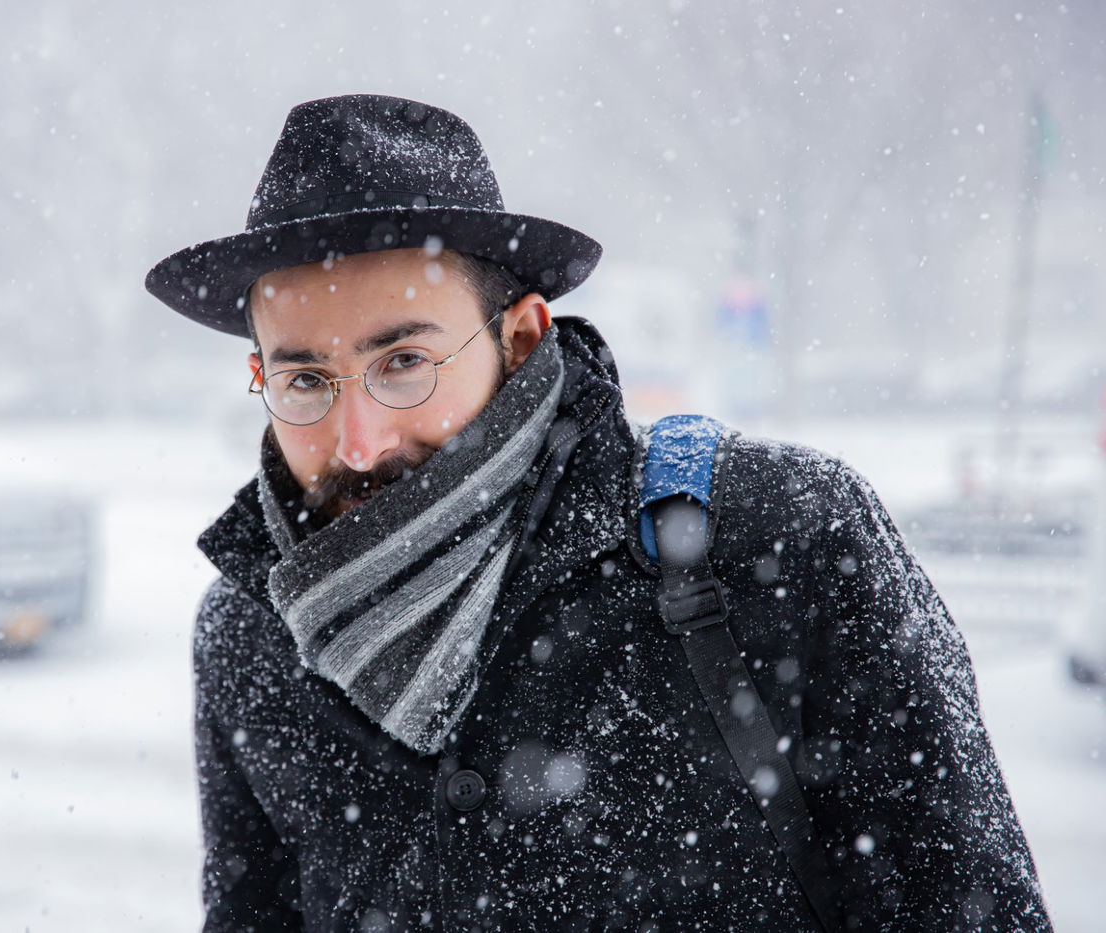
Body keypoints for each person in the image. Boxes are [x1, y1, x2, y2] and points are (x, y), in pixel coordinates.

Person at [145, 94, 1050, 932]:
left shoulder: (779, 534)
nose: (357, 440)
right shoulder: (251, 630)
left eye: (403, 362)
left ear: (523, 338)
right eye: (305, 378)